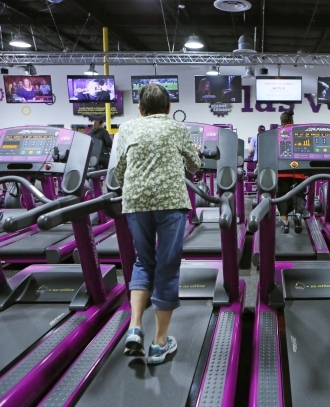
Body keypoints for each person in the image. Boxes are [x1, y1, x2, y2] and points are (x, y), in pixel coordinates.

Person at [115, 84, 202, 365]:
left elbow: (119, 171)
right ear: (168, 108)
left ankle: (134, 327)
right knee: (167, 266)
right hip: (170, 201)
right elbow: (195, 166)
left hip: (136, 202)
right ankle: (159, 343)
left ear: (140, 109)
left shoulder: (127, 128)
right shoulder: (178, 128)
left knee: (143, 261)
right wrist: (194, 152)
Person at [276, 109, 304, 234]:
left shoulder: (277, 133)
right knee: (299, 194)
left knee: (283, 196)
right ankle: (298, 216)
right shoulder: (300, 133)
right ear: (292, 120)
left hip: (282, 172)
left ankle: (285, 223)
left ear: (282, 122)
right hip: (299, 171)